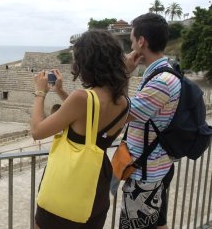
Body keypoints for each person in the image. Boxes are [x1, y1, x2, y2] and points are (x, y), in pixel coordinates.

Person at [31, 30, 130, 228]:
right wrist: (59, 91)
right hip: (96, 186)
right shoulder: (123, 102)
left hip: (66, 188)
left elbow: (37, 130)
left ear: (87, 62)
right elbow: (89, 119)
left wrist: (40, 92)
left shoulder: (81, 98)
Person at [121, 13, 181, 229]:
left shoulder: (161, 81)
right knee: (157, 224)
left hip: (146, 174)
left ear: (141, 41)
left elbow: (123, 113)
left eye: (131, 39)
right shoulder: (161, 73)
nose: (130, 44)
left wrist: (125, 74)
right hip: (157, 167)